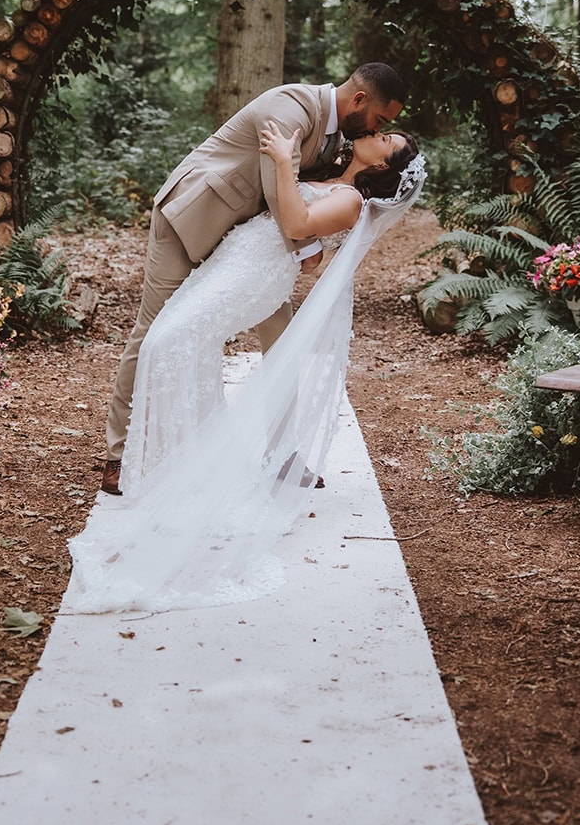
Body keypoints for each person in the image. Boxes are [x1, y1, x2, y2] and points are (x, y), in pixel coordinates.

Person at [66, 126, 426, 614]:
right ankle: (184, 470)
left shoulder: (350, 201)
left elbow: (298, 226)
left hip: (255, 274)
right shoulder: (327, 175)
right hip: (235, 258)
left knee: (171, 344)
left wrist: (282, 161)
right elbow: (306, 249)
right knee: (166, 345)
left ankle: (187, 477)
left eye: (388, 142)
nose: (378, 135)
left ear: (383, 167)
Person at [97, 64, 406, 494]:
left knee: (283, 342)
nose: (378, 129)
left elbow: (313, 190)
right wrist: (308, 248)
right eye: (381, 120)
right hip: (192, 218)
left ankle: (281, 454)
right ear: (359, 101)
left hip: (248, 247)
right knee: (155, 330)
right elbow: (276, 184)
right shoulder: (291, 106)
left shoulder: (341, 138)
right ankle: (119, 454)